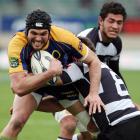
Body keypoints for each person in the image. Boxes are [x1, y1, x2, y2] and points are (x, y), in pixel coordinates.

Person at [0, 9, 103, 140]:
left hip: (63, 86)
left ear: (50, 32)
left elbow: (94, 60)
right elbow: (18, 88)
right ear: (26, 31)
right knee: (16, 122)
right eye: (34, 33)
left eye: (43, 34)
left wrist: (93, 94)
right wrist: (50, 73)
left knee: (93, 132)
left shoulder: (65, 37)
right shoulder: (17, 43)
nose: (38, 38)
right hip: (33, 84)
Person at [54, 1, 128, 139]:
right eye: (111, 21)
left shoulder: (116, 43)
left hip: (89, 94)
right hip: (70, 91)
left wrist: (126, 99)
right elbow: (70, 70)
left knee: (93, 136)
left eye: (119, 23)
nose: (115, 26)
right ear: (101, 21)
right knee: (69, 124)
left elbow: (115, 71)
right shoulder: (88, 39)